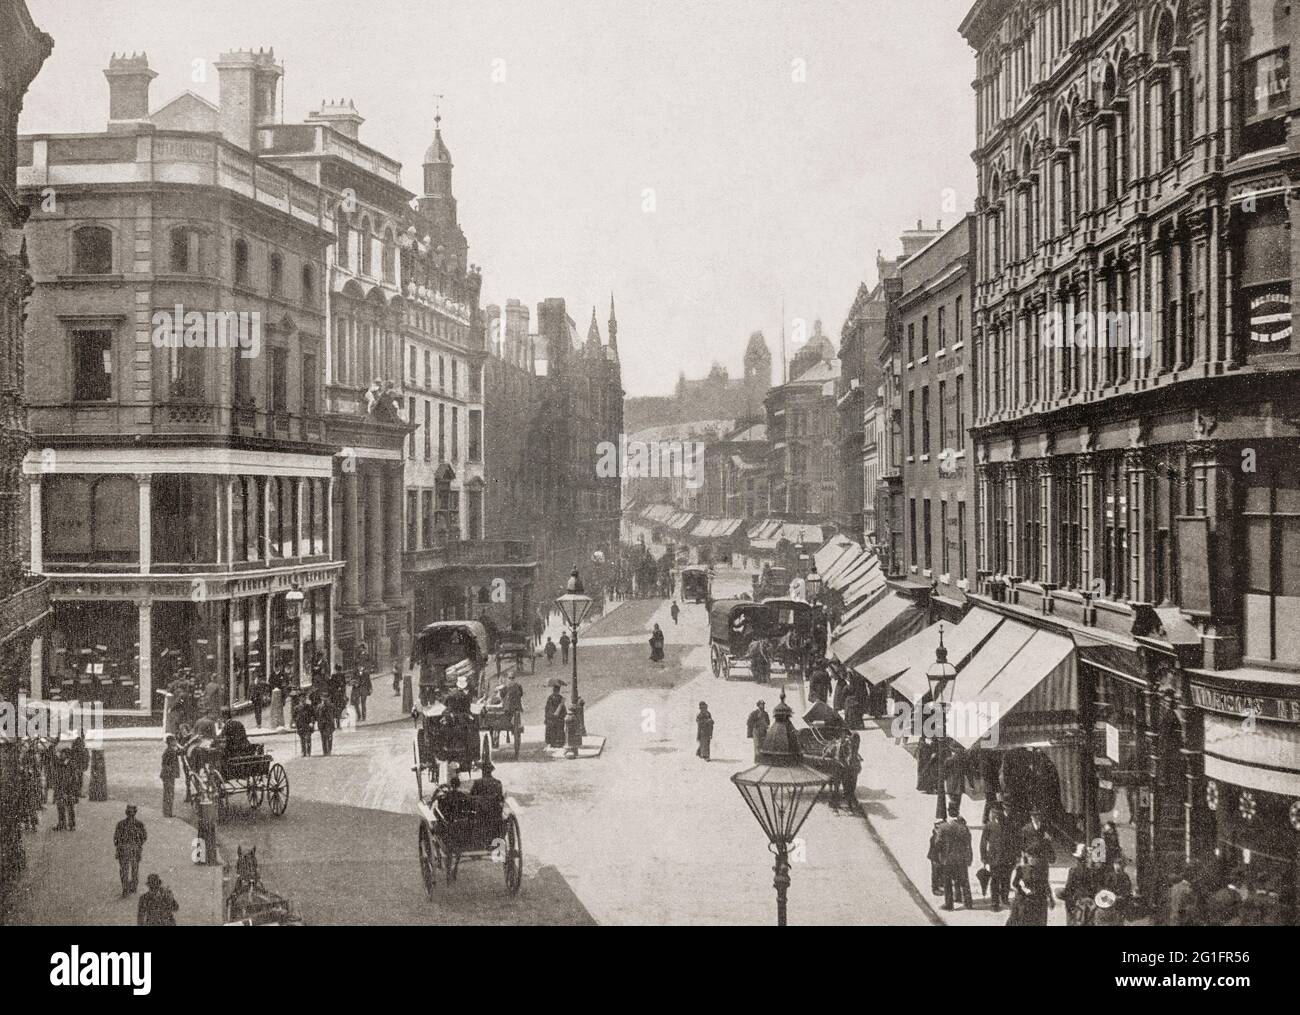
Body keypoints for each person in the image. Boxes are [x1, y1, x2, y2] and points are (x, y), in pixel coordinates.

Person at [980, 807, 1014, 912]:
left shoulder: (1009, 825)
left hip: (1007, 858)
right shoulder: (989, 826)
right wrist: (984, 857)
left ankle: (1004, 898)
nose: (999, 817)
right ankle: (995, 903)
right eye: (997, 815)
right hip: (994, 859)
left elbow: (1014, 841)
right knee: (995, 881)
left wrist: (1015, 856)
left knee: (1006, 879)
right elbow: (983, 843)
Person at [1007, 850, 1054, 926]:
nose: (1031, 859)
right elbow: (1015, 883)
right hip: (1025, 899)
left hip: (1039, 900)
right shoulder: (1021, 869)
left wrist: (1051, 898)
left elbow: (1046, 884)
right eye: (1029, 857)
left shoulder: (1042, 870)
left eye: (1034, 857)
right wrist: (1024, 890)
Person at [938, 814, 974, 911]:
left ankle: (949, 905)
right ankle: (968, 903)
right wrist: (969, 858)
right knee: (965, 881)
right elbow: (968, 845)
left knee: (947, 883)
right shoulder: (964, 828)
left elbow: (938, 843)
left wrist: (940, 856)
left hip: (948, 859)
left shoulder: (943, 827)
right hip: (961, 859)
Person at [1057, 843, 1097, 926]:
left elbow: (1068, 888)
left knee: (1074, 921)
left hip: (1076, 902)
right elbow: (1093, 889)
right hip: (1088, 902)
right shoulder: (1091, 872)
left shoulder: (1073, 871)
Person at [113, 804, 148, 897]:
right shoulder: (139, 824)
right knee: (133, 869)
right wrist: (138, 844)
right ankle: (132, 887)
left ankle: (126, 888)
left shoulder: (121, 824)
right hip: (133, 849)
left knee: (126, 870)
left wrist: (119, 846)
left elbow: (116, 839)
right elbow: (144, 837)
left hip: (125, 849)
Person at [52, 747, 79, 831]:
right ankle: (64, 824)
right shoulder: (62, 763)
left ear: (66, 755)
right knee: (62, 807)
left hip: (67, 789)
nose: (60, 755)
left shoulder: (69, 764)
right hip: (62, 789)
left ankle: (68, 825)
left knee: (69, 807)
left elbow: (71, 778)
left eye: (62, 753)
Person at [160, 735, 180, 819]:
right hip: (168, 775)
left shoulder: (169, 750)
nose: (176, 742)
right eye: (174, 741)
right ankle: (168, 813)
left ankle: (168, 812)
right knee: (169, 794)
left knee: (168, 794)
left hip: (167, 775)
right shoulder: (171, 751)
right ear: (171, 742)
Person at [544, 683, 567, 748]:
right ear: (558, 690)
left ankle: (551, 743)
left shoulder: (550, 697)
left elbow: (547, 708)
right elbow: (563, 709)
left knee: (551, 730)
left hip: (551, 717)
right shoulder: (561, 698)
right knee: (559, 729)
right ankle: (559, 743)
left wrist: (546, 717)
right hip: (558, 717)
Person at [927, 820, 945, 897]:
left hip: (938, 857)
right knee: (935, 873)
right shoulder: (934, 837)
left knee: (939, 872)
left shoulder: (938, 836)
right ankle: (935, 889)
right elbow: (935, 849)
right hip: (935, 858)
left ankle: (940, 885)